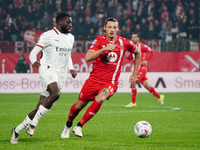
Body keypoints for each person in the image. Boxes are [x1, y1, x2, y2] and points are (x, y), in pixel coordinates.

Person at [61, 17, 141, 138]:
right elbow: (87, 58)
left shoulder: (124, 42)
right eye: (109, 27)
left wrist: (134, 74)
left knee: (102, 97)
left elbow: (138, 53)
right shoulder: (99, 40)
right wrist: (104, 49)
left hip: (110, 82)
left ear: (118, 29)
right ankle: (67, 125)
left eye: (114, 27)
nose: (112, 30)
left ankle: (79, 125)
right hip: (93, 80)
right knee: (78, 106)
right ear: (105, 28)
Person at [10, 13, 77, 144]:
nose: (70, 25)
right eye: (68, 22)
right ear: (60, 22)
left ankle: (16, 130)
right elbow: (33, 52)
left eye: (71, 22)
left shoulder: (71, 38)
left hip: (61, 73)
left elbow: (67, 55)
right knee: (56, 94)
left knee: (39, 107)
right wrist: (34, 61)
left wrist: (71, 68)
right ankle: (33, 124)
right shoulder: (47, 35)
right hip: (47, 68)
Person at [124, 33, 164, 108]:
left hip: (142, 68)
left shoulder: (142, 46)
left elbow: (152, 52)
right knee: (146, 85)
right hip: (137, 68)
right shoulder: (131, 48)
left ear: (138, 38)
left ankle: (133, 102)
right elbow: (131, 58)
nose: (133, 39)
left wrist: (146, 60)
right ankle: (160, 97)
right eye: (132, 37)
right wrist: (127, 56)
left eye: (135, 37)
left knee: (133, 81)